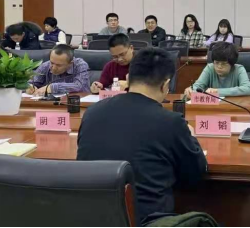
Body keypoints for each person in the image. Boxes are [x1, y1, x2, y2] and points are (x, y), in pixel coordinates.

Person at [77, 48, 207, 225]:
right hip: (148, 221)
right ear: (166, 85)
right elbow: (194, 174)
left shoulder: (92, 113)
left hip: (92, 219)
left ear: (128, 78)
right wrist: (190, 136)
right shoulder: (171, 122)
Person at [184, 42, 250, 98]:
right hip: (213, 107)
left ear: (232, 64)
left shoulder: (239, 69)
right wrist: (191, 90)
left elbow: (247, 89)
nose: (219, 67)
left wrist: (217, 91)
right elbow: (198, 86)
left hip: (234, 106)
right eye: (216, 63)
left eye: (224, 64)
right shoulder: (210, 68)